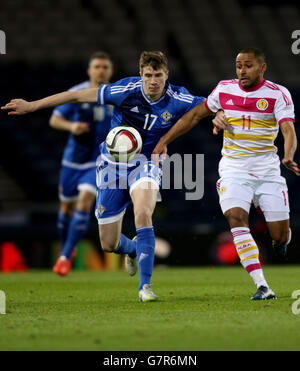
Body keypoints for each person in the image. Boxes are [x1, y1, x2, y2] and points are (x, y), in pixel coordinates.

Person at [1, 50, 225, 302]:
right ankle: (130, 250)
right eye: (148, 75)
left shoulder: (179, 96)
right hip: (111, 166)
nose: (153, 81)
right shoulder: (124, 90)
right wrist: (33, 105)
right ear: (140, 74)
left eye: (158, 75)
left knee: (143, 213)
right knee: (108, 243)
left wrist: (217, 115)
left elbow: (209, 105)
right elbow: (75, 95)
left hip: (147, 162)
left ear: (167, 75)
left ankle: (145, 287)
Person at [153, 47, 299, 300]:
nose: (242, 70)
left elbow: (287, 130)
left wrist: (288, 154)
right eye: (238, 65)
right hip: (234, 167)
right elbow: (194, 116)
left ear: (262, 68)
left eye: (248, 65)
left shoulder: (278, 94)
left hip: (267, 170)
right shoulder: (224, 89)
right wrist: (164, 140)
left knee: (280, 236)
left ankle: (281, 239)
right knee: (235, 217)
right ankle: (262, 286)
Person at [50, 51, 113, 276]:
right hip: (73, 161)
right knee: (65, 207)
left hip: (98, 162)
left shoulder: (114, 96)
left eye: (105, 67)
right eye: (97, 66)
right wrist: (71, 127)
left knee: (85, 201)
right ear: (89, 70)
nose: (101, 70)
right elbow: (54, 119)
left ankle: (65, 256)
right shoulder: (77, 92)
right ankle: (66, 246)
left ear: (109, 71)